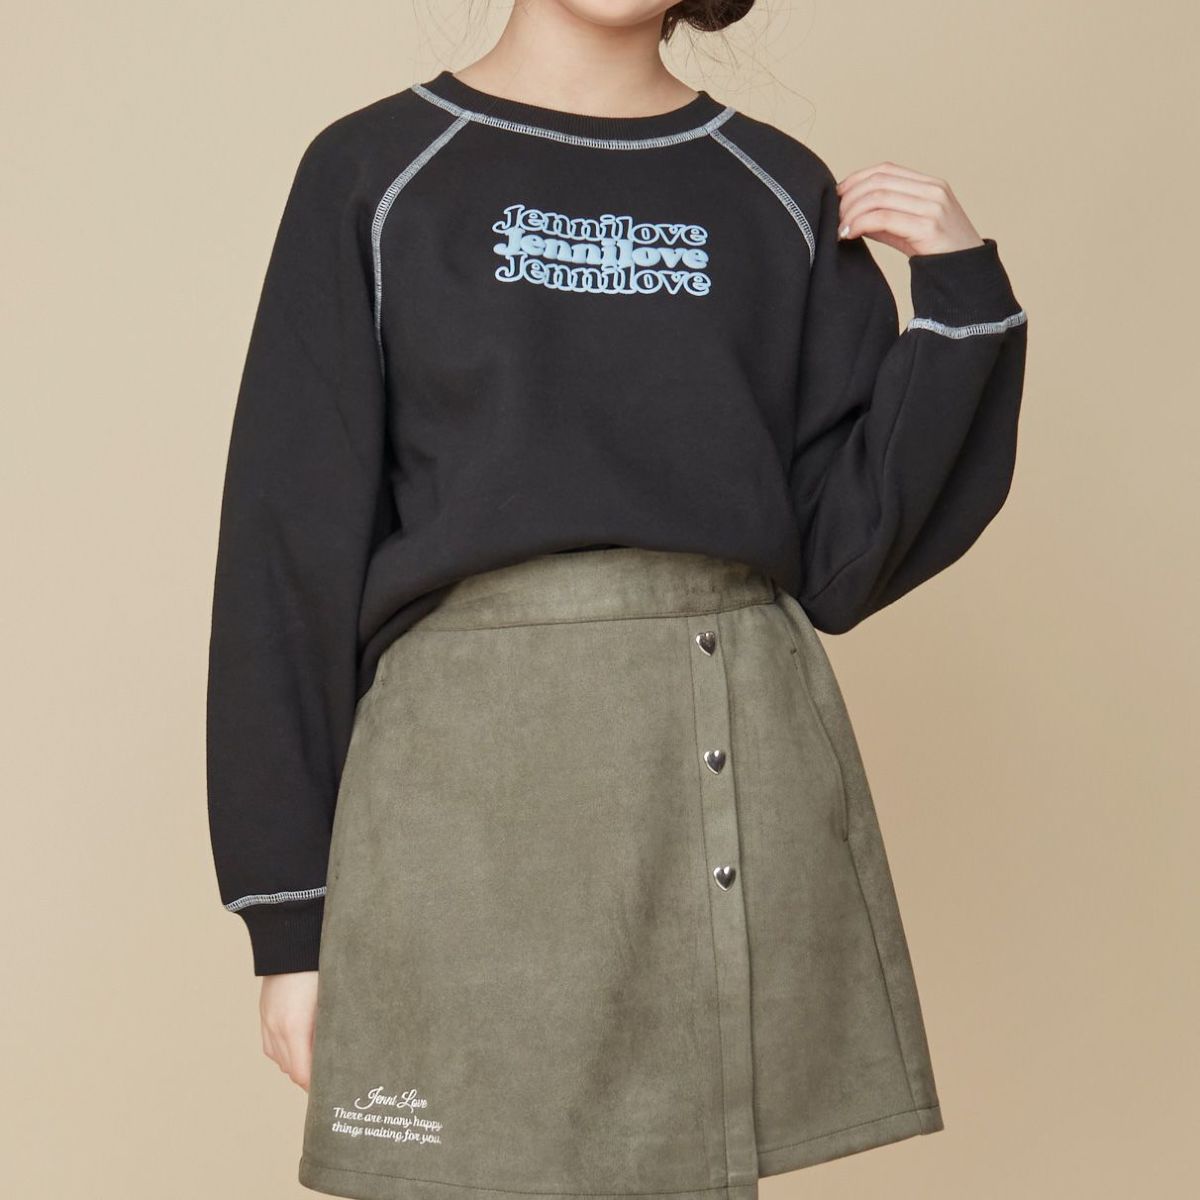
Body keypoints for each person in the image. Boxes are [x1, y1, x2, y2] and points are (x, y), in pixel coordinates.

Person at [205, 2, 1028, 1197]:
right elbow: (288, 549)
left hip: (716, 757)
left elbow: (846, 558)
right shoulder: (376, 171)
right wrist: (290, 920)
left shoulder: (773, 188)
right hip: (457, 801)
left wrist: (962, 304)